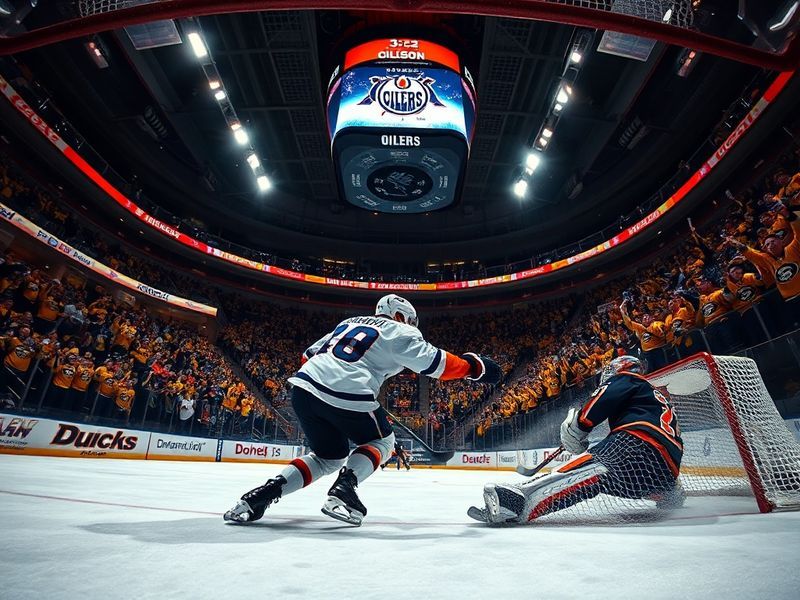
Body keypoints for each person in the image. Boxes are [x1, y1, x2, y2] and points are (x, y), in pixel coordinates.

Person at [224, 294, 502, 526]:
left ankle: (259, 496)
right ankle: (344, 490)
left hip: (304, 388)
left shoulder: (347, 322)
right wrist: (476, 368)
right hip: (347, 390)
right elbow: (437, 364)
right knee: (382, 441)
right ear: (400, 316)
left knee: (328, 456)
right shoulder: (401, 330)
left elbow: (308, 355)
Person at [474, 355, 683, 524]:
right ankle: (666, 493)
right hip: (665, 470)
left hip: (638, 444)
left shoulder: (628, 379)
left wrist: (579, 426)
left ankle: (517, 500)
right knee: (599, 480)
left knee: (592, 468)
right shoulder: (654, 395)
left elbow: (602, 401)